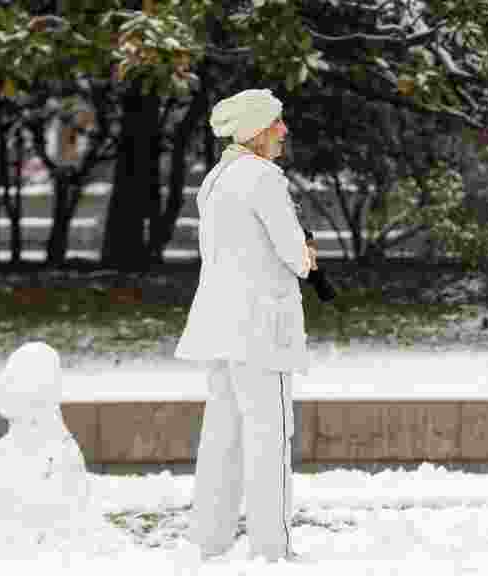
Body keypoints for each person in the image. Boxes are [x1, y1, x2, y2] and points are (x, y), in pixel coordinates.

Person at [174, 88, 316, 561]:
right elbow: (295, 256)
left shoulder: (216, 178)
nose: (284, 131)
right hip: (260, 330)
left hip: (218, 325)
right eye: (276, 123)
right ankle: (272, 549)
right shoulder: (262, 177)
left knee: (222, 435)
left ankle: (209, 539)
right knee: (269, 436)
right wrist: (307, 254)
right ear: (256, 131)